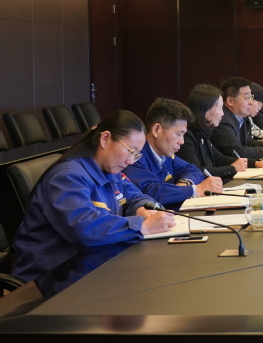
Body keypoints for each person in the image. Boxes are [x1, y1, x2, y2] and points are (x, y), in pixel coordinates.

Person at [13, 110, 175, 282]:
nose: (130, 161)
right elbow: (84, 228)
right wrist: (142, 226)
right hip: (51, 278)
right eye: (130, 151)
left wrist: (142, 208)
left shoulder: (111, 170)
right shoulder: (68, 176)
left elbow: (133, 195)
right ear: (105, 139)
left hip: (90, 265)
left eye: (136, 155)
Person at [124, 99, 224, 206]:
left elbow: (193, 169)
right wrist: (194, 190)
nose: (182, 141)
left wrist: (185, 183)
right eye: (178, 134)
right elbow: (150, 192)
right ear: (156, 130)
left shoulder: (166, 155)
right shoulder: (134, 157)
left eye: (183, 135)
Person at [210, 76, 263, 161]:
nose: (251, 102)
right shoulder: (222, 120)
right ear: (230, 101)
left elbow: (248, 142)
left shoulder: (240, 117)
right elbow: (236, 152)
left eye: (251, 97)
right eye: (247, 98)